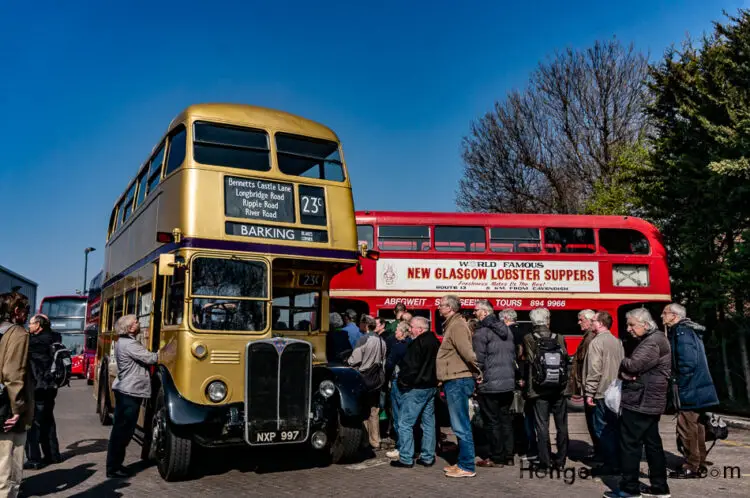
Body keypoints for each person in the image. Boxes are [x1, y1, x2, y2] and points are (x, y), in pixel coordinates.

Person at [605, 308, 671, 498]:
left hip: (640, 401)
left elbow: (633, 365)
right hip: (649, 401)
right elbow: (634, 370)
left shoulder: (652, 343)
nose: (628, 329)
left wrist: (623, 363)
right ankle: (660, 487)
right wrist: (628, 372)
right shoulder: (655, 340)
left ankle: (629, 489)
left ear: (645, 324)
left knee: (630, 445)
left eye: (632, 324)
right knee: (652, 444)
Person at [661, 303, 719, 479]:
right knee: (697, 427)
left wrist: (679, 384)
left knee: (686, 428)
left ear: (674, 316)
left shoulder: (682, 332)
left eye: (665, 313)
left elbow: (687, 362)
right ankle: (698, 462)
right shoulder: (689, 330)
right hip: (698, 386)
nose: (662, 316)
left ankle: (691, 466)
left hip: (690, 388)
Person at [105, 314, 159, 478]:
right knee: (123, 431)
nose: (139, 323)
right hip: (130, 391)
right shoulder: (130, 344)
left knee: (121, 430)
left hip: (126, 390)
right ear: (130, 328)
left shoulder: (124, 342)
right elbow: (151, 358)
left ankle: (115, 465)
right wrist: (166, 350)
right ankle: (114, 468)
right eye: (136, 321)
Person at [436, 295, 481, 478]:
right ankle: (462, 462)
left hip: (458, 380)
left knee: (461, 425)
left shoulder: (457, 325)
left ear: (451, 308)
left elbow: (468, 353)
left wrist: (479, 371)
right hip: (454, 379)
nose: (438, 307)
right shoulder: (452, 324)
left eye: (441, 305)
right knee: (458, 425)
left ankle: (467, 466)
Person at [390, 316, 440, 468]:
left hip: (416, 388)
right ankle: (427, 456)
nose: (410, 330)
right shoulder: (434, 342)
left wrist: (403, 382)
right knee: (428, 422)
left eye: (411, 327)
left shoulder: (418, 343)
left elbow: (409, 367)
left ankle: (405, 457)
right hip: (430, 386)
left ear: (420, 328)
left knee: (404, 423)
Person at [523, 307, 569, 470]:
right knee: (561, 424)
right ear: (548, 320)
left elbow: (529, 362)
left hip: (539, 389)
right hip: (560, 388)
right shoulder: (559, 337)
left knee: (542, 426)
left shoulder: (529, 338)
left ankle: (545, 461)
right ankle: (561, 460)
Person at [472, 300, 516, 468]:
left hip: (490, 383)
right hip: (507, 382)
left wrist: (477, 378)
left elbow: (478, 361)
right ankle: (509, 455)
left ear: (484, 312)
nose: (474, 313)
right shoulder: (507, 330)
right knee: (505, 419)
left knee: (492, 421)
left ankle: (496, 456)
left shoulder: (482, 332)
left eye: (476, 310)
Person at [0, 291, 33, 498]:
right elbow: (13, 374)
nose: (27, 315)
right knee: (8, 469)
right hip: (7, 408)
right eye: (26, 310)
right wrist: (18, 409)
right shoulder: (18, 334)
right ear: (16, 311)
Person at [583, 311, 624, 475]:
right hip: (615, 390)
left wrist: (589, 392)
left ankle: (610, 464)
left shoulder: (596, 342)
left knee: (602, 429)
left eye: (593, 320)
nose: (591, 323)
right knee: (615, 428)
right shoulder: (616, 341)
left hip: (601, 391)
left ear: (600, 323)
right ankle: (618, 462)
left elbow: (595, 369)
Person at [24, 314, 63, 469]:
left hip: (39, 387)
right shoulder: (54, 337)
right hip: (51, 386)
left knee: (33, 423)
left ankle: (34, 459)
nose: (29, 326)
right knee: (48, 420)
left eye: (31, 323)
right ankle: (53, 455)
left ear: (39, 325)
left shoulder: (36, 341)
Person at [347, 315, 386, 451]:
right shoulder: (382, 341)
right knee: (374, 411)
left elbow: (354, 360)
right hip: (376, 380)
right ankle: (376, 441)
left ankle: (364, 441)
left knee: (363, 411)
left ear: (365, 325)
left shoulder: (363, 340)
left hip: (364, 378)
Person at [570, 309, 598, 458]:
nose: (578, 322)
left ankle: (599, 451)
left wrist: (589, 389)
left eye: (581, 320)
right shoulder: (588, 337)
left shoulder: (589, 339)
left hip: (590, 387)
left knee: (594, 421)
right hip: (588, 386)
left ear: (589, 320)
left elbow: (590, 365)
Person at [385, 321, 412, 458]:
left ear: (402, 332)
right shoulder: (413, 344)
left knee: (398, 416)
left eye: (397, 330)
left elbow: (389, 365)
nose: (395, 333)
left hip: (398, 381)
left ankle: (401, 446)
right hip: (412, 382)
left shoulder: (398, 347)